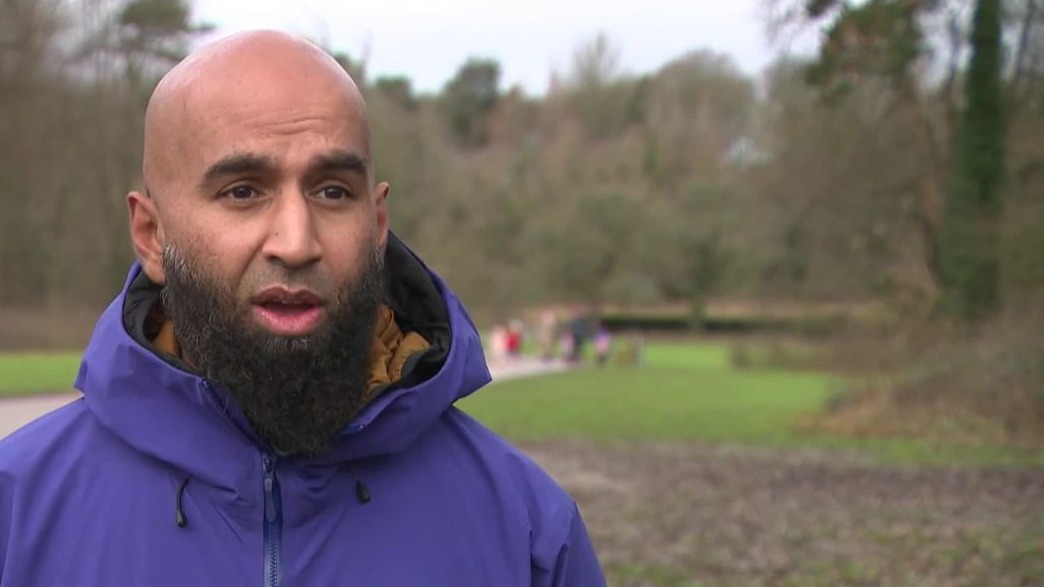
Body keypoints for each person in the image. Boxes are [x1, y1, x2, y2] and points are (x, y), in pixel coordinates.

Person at [0, 31, 605, 586]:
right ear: (151, 235)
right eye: (243, 191)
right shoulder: (16, 512)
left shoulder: (526, 531)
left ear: (377, 225)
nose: (296, 242)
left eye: (332, 191)